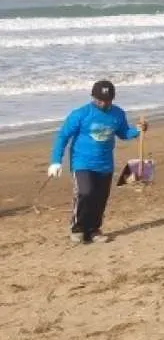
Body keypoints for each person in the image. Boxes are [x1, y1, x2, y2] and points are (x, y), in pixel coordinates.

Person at [48, 80, 147, 244]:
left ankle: (93, 229)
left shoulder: (118, 114)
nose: (103, 103)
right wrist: (55, 161)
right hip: (82, 162)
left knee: (100, 197)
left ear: (112, 99)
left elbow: (123, 133)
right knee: (85, 193)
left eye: (107, 100)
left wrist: (137, 131)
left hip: (105, 164)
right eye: (99, 99)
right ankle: (78, 228)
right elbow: (63, 136)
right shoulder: (80, 114)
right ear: (93, 97)